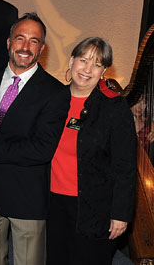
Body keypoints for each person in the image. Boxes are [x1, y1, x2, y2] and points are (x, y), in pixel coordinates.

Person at [0, 13, 70, 265]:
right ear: (8, 42)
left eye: (34, 41)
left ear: (42, 48)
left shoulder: (55, 92)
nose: (25, 47)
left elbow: (41, 149)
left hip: (27, 194)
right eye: (20, 38)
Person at [47, 37, 136, 265]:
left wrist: (120, 214)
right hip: (53, 205)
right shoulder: (52, 99)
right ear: (71, 61)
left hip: (95, 208)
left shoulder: (114, 108)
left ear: (104, 71)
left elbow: (124, 166)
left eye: (96, 64)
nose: (87, 69)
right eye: (83, 60)